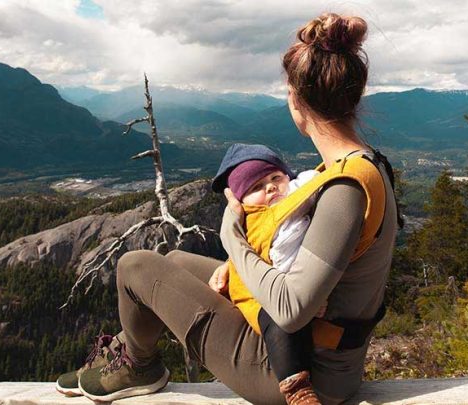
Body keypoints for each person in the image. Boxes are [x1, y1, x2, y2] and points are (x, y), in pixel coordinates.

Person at [55, 12, 399, 405]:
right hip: (319, 352)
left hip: (302, 374)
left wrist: (232, 238)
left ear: (295, 99)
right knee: (178, 263)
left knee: (135, 265)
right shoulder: (362, 165)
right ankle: (127, 354)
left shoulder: (345, 189)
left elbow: (290, 310)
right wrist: (241, 267)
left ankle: (139, 364)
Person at [209, 143, 327, 403]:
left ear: (288, 176)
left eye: (276, 178)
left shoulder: (296, 199)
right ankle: (296, 389)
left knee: (286, 319)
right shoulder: (255, 219)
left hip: (287, 288)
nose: (271, 187)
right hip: (256, 294)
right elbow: (255, 246)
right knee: (278, 322)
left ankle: (301, 389)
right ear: (241, 201)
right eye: (256, 187)